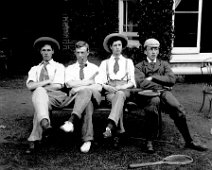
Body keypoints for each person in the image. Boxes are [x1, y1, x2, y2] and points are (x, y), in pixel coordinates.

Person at [135, 38, 207, 153]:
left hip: (164, 93)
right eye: (151, 49)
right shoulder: (139, 66)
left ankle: (189, 141)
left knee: (179, 109)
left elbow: (172, 80)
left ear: (158, 51)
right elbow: (142, 83)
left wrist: (153, 78)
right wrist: (163, 83)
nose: (154, 52)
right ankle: (149, 141)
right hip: (147, 95)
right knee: (153, 104)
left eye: (156, 49)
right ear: (145, 51)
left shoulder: (164, 64)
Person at [26, 37, 67, 153]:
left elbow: (58, 85)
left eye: (49, 50)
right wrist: (47, 81)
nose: (46, 53)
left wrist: (38, 86)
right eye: (43, 50)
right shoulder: (34, 69)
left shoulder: (59, 67)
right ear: (40, 52)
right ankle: (44, 124)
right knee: (40, 97)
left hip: (56, 96)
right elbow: (29, 86)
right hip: (41, 97)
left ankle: (36, 135)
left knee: (39, 95)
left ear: (53, 51)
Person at [60, 41, 101, 153]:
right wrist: (88, 82)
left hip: (94, 96)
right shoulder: (70, 69)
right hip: (79, 100)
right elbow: (69, 84)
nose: (80, 55)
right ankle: (87, 140)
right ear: (75, 53)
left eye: (83, 52)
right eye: (78, 52)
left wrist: (79, 88)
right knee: (87, 103)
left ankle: (71, 120)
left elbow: (98, 86)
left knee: (86, 91)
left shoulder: (95, 68)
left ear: (88, 52)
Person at [95, 33, 136, 144]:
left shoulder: (128, 62)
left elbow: (132, 82)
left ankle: (111, 125)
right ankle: (118, 131)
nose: (118, 47)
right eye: (115, 45)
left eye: (119, 45)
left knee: (120, 94)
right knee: (118, 99)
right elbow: (99, 80)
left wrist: (122, 87)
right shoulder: (105, 63)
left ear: (122, 47)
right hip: (111, 91)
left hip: (125, 89)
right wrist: (107, 86)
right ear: (110, 47)